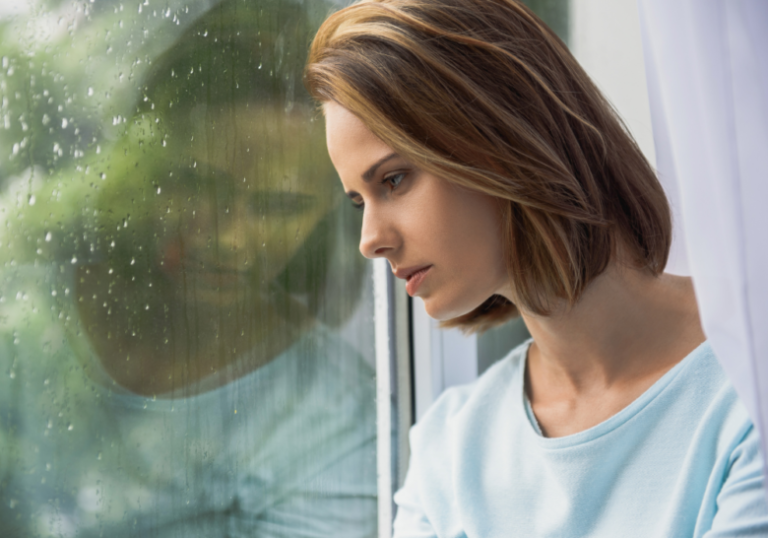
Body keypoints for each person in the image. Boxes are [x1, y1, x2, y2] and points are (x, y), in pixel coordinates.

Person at [304, 0, 768, 536]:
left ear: (499, 137)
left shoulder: (747, 378)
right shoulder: (452, 448)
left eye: (394, 180)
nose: (370, 242)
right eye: (360, 202)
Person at [0, 1, 377, 536]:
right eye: (200, 186)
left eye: (279, 206)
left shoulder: (331, 422)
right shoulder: (22, 320)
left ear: (328, 215)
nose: (228, 238)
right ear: (143, 169)